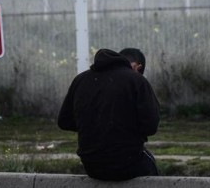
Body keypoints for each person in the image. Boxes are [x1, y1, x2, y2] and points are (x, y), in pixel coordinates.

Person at [57, 48, 160, 181]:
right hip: (128, 163)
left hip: (91, 165)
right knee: (151, 167)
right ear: (137, 67)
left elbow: (64, 121)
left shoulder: (80, 80)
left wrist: (93, 124)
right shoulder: (136, 81)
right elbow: (151, 126)